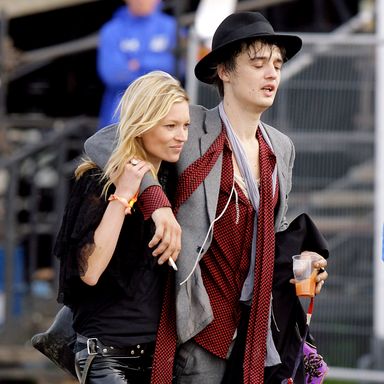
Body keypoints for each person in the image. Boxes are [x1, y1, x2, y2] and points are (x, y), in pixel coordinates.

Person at [84, 12, 329, 384]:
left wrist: (303, 260)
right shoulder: (191, 124)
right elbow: (102, 142)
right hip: (196, 325)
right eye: (258, 63)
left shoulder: (281, 147)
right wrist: (157, 202)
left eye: (277, 65)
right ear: (224, 71)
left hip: (255, 327)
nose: (271, 74)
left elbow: (274, 231)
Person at [54, 70, 190, 383]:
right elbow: (89, 270)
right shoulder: (98, 180)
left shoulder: (174, 183)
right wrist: (124, 196)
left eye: (185, 125)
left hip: (160, 356)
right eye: (170, 126)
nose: (181, 135)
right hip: (106, 356)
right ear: (141, 127)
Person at [97, 0, 179, 129]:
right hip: (122, 117)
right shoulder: (111, 30)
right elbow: (113, 74)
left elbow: (178, 66)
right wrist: (157, 70)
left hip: (165, 111)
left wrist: (140, 63)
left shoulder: (171, 27)